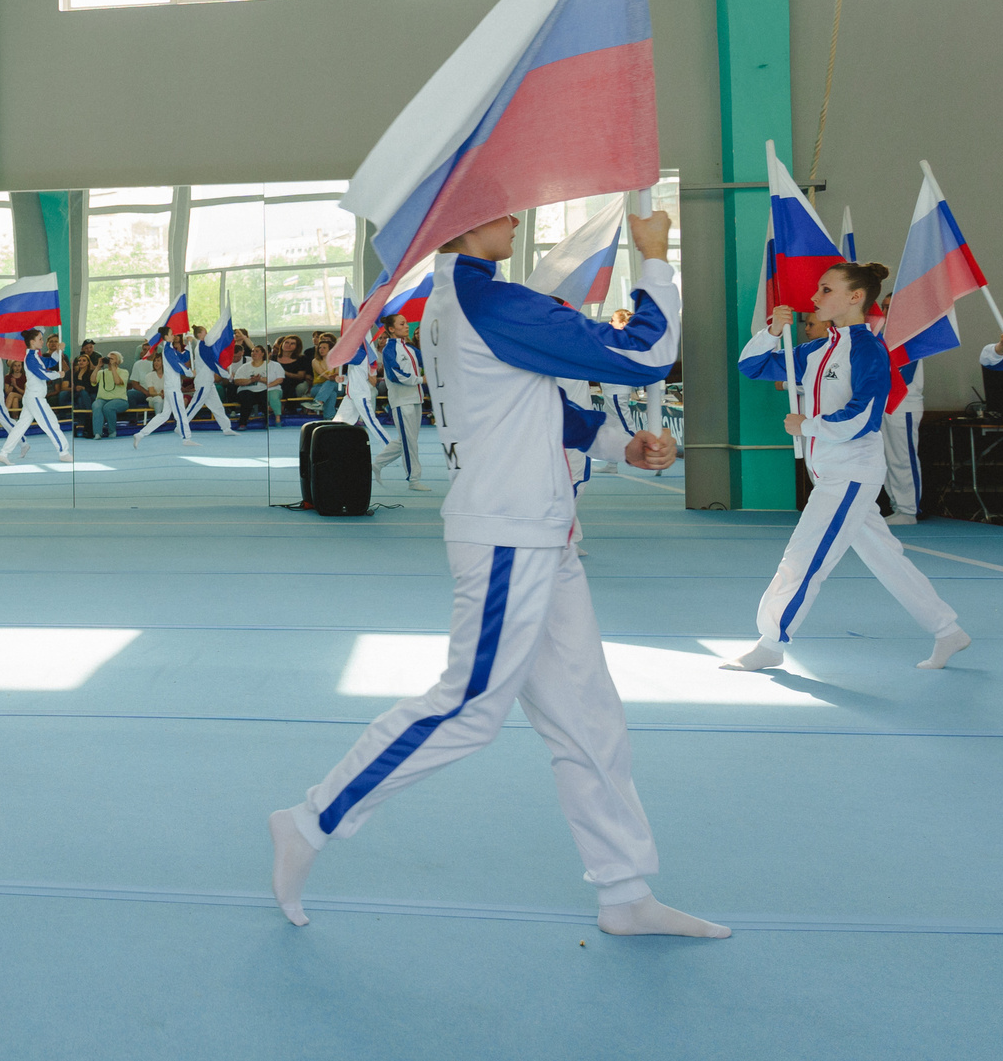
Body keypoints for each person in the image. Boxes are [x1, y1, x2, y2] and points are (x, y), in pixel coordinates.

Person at [270, 208, 728, 941]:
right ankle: (311, 818)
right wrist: (656, 258)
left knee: (587, 712)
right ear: (461, 219)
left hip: (539, 530)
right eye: (500, 207)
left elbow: (546, 411)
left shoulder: (462, 299)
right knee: (469, 707)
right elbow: (647, 355)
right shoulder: (491, 300)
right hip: (508, 531)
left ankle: (622, 890)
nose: (515, 217)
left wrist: (621, 443)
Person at [726, 264, 969, 672]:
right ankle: (948, 631)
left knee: (803, 558)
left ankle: (771, 642)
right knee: (887, 560)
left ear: (855, 297)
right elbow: (750, 367)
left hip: (851, 474)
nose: (815, 298)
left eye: (825, 290)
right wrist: (771, 332)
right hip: (830, 472)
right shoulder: (816, 350)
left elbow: (866, 415)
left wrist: (809, 425)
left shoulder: (867, 349)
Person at [368, 316, 429, 489]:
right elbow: (396, 375)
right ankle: (413, 479)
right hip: (402, 401)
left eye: (407, 323)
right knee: (409, 442)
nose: (407, 326)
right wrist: (420, 380)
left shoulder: (409, 348)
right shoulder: (389, 350)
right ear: (391, 329)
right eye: (402, 324)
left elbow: (428, 361)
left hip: (415, 399)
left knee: (406, 440)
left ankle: (377, 464)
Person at [0, 329, 73, 465]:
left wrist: (58, 352)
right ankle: (63, 452)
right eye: (40, 339)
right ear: (32, 342)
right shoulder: (31, 358)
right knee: (51, 424)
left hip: (32, 397)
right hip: (36, 398)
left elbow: (48, 362)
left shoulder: (35, 356)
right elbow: (42, 373)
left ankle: (4, 453)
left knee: (20, 426)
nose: (43, 342)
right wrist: (58, 374)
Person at [133, 332, 196, 448]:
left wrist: (189, 344)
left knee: (165, 415)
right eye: (171, 334)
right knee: (180, 413)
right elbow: (177, 365)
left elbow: (183, 358)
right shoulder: (167, 351)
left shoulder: (171, 349)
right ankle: (186, 438)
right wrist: (189, 372)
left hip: (171, 387)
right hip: (173, 388)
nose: (174, 336)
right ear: (165, 336)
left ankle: (141, 434)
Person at [881, 359, 924, 526]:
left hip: (903, 403)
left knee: (902, 458)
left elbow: (904, 374)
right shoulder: (879, 336)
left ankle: (908, 509)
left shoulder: (908, 337)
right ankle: (897, 506)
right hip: (884, 403)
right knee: (888, 459)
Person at [90, 351, 130, 438]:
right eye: (108, 358)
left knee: (108, 407)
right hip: (102, 399)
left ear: (118, 361)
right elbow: (92, 381)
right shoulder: (102, 372)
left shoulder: (124, 372)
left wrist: (113, 368)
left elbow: (118, 382)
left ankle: (112, 431)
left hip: (120, 400)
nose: (109, 360)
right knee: (96, 405)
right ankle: (97, 433)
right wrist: (98, 367)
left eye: (112, 358)